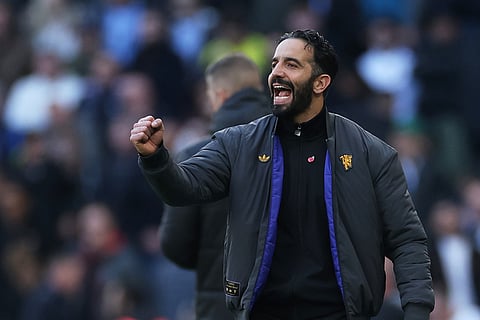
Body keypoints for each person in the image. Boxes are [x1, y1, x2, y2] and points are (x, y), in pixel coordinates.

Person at [130, 29, 435, 320]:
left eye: (291, 64)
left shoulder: (371, 154)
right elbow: (185, 187)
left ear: (320, 83)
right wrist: (156, 158)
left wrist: (418, 310)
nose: (276, 72)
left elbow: (406, 239)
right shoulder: (239, 143)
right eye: (274, 63)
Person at [159, 53, 271, 320]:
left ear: (219, 96)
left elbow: (175, 245)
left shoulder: (194, 157)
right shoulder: (292, 149)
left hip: (219, 305)